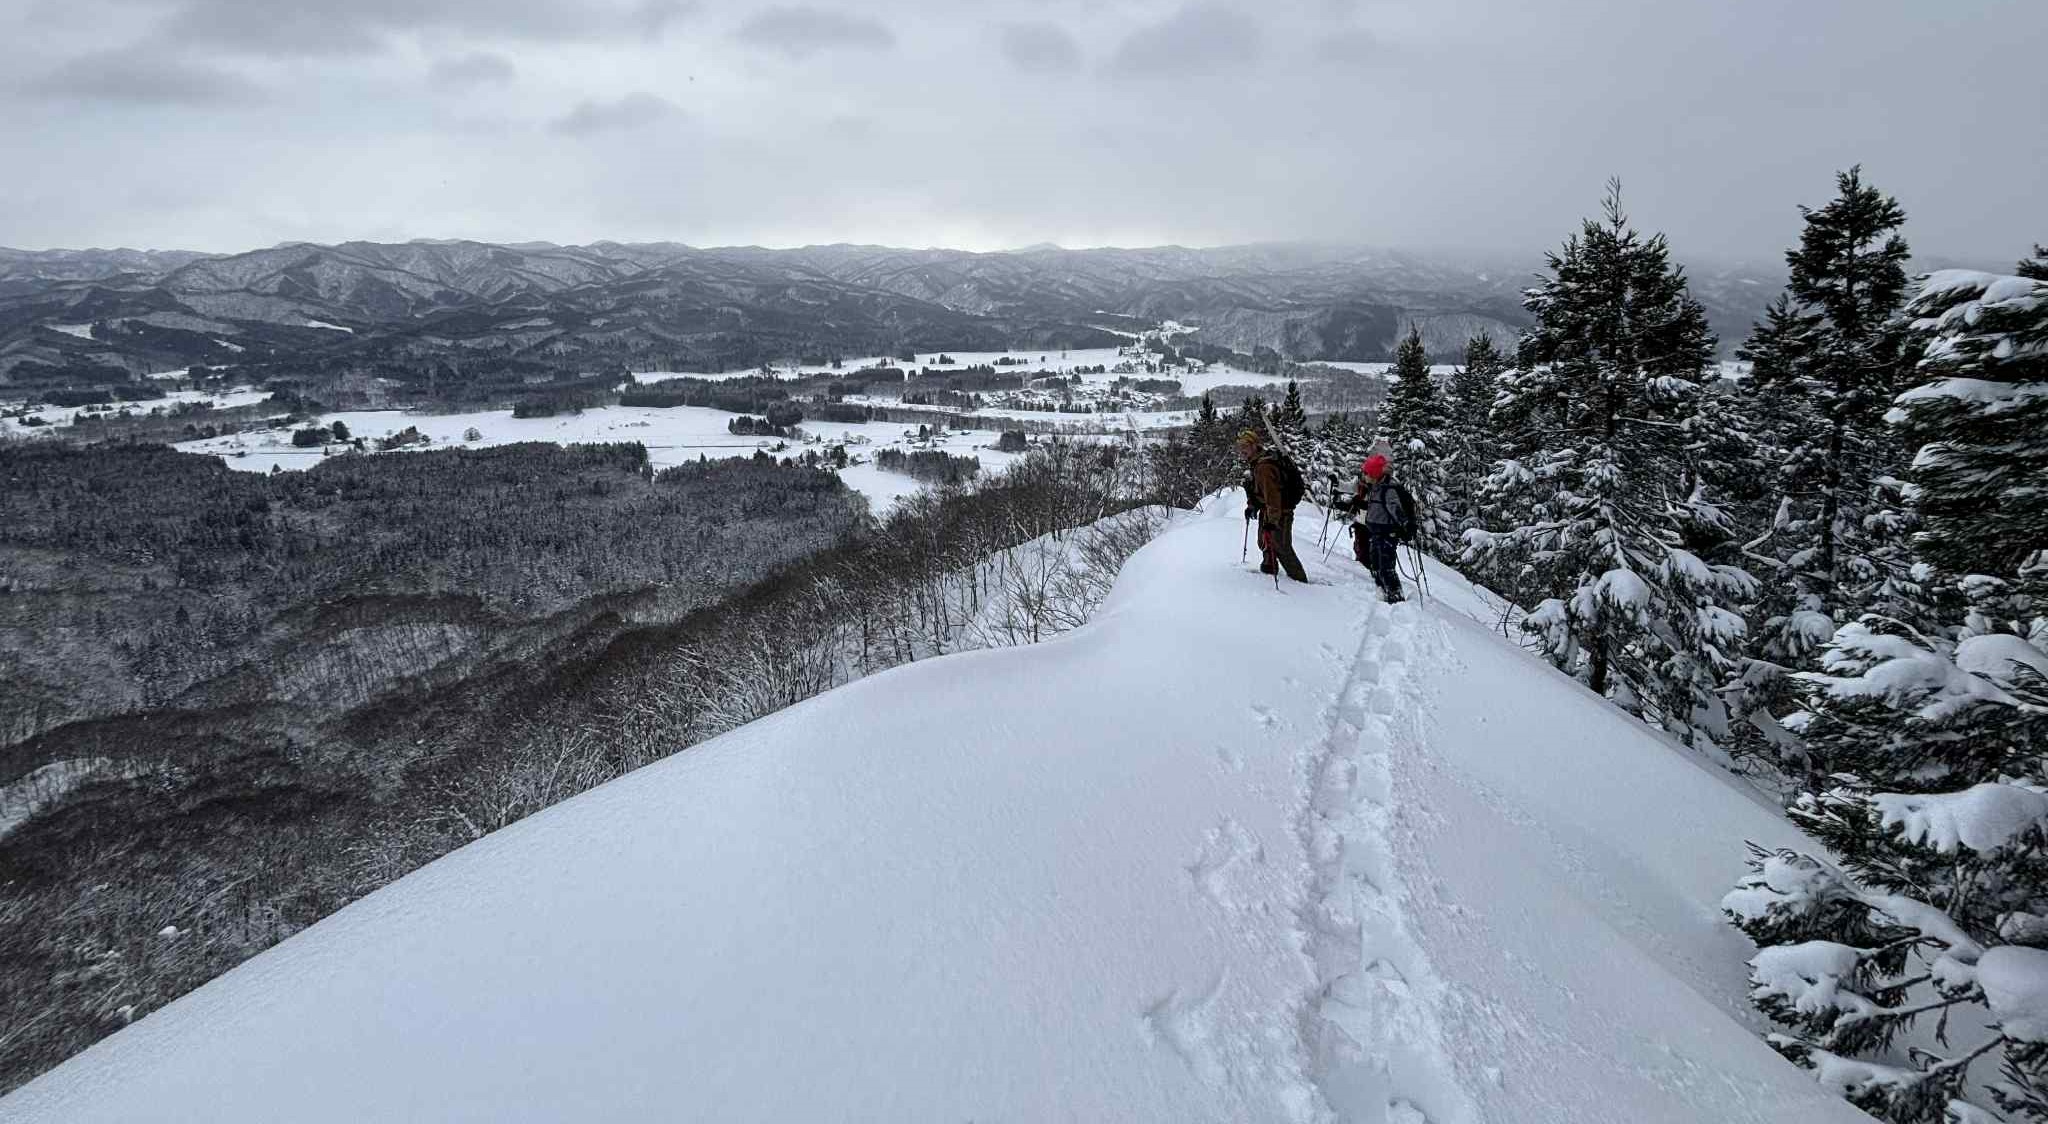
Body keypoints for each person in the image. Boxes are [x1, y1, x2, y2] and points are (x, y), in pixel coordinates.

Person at [1337, 453, 1414, 602]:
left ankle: (1396, 597)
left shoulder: (1387, 489)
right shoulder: (1375, 487)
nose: (1364, 475)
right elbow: (1375, 507)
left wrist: (1406, 525)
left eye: (1366, 473)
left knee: (1386, 566)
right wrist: (1354, 505)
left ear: (1374, 474)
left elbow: (1395, 510)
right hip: (1376, 532)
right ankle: (1382, 589)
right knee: (1375, 563)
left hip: (1387, 534)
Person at [1238, 429, 1308, 584]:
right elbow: (1258, 490)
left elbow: (1272, 496)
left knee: (1282, 547)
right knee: (1264, 541)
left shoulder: (1264, 467)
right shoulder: (1257, 462)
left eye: (1245, 446)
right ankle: (1270, 566)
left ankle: (1300, 581)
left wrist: (1272, 521)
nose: (1242, 450)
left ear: (1255, 445)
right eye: (1240, 446)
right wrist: (1252, 505)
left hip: (1280, 512)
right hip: (1269, 510)